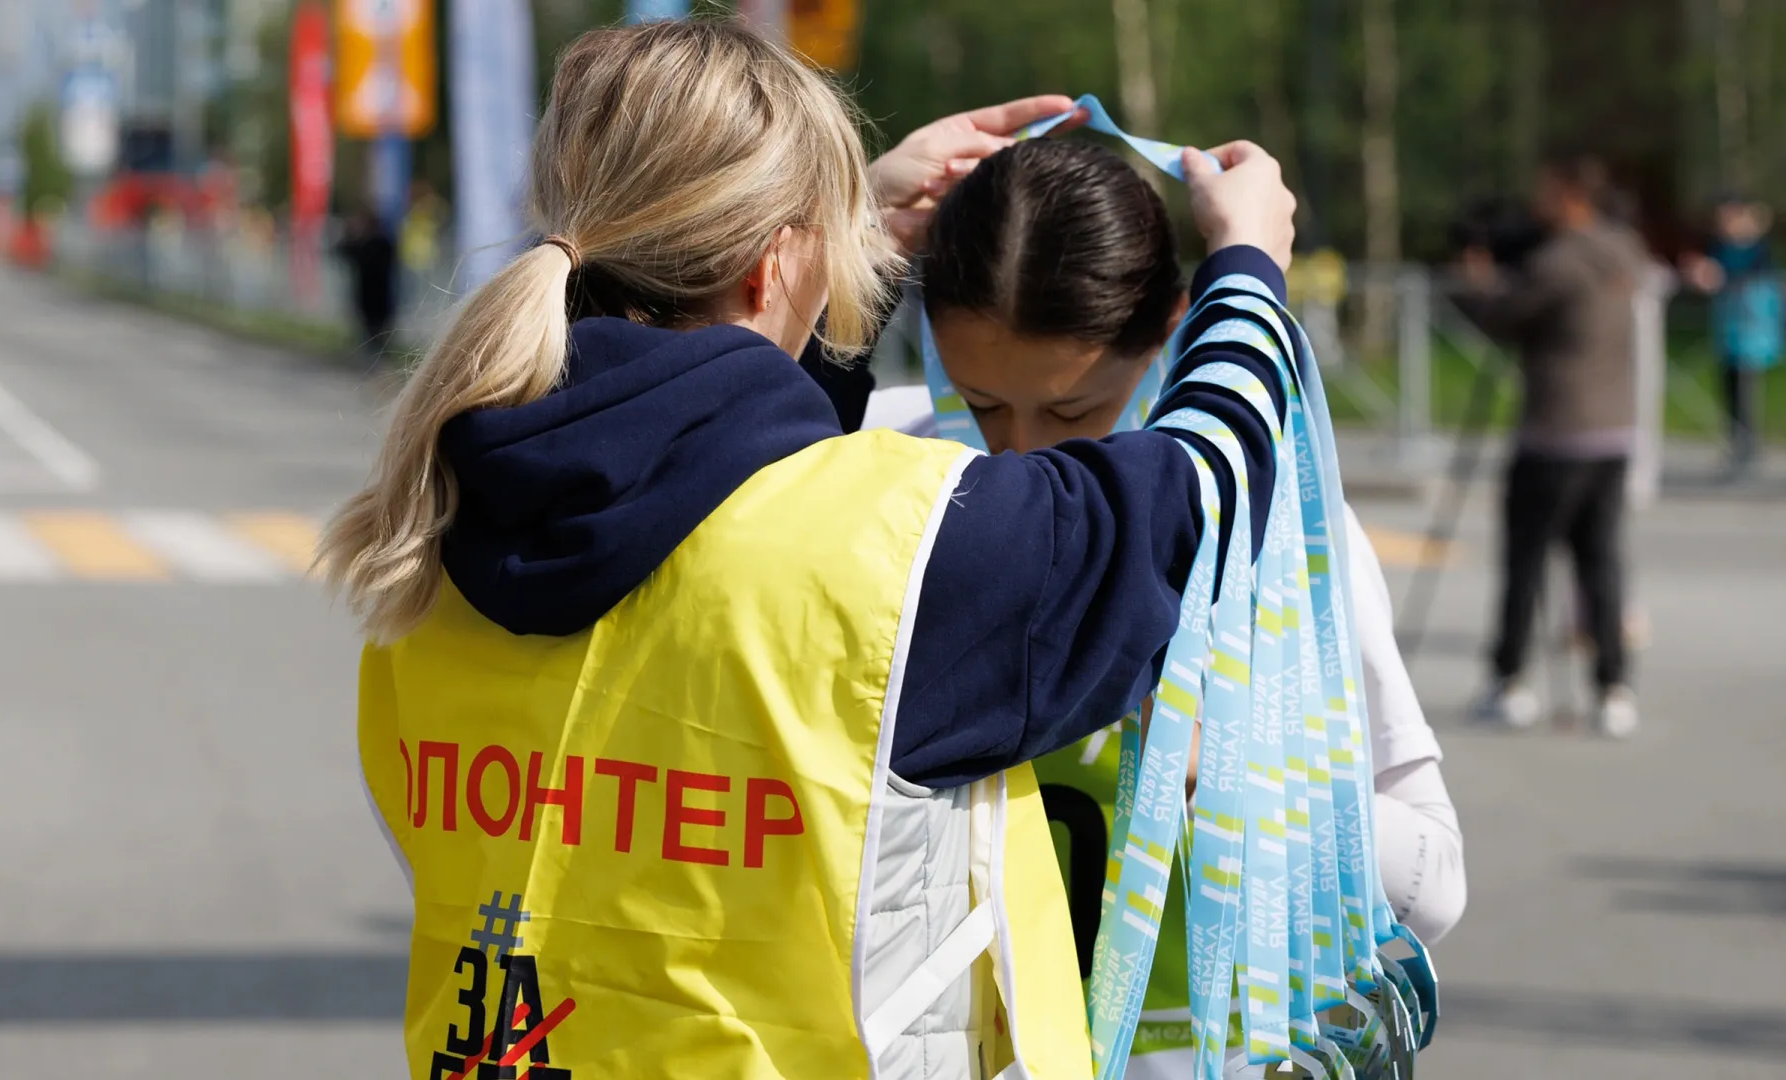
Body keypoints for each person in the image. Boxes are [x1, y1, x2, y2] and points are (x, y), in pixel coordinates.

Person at [316, 19, 1301, 1080]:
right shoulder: (905, 557)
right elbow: (1201, 487)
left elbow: (721, 466)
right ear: (770, 262)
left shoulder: (442, 534)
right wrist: (1248, 266)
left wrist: (842, 245)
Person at [853, 137, 1464, 1076]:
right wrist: (854, 225)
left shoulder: (1267, 517)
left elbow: (1433, 885)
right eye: (980, 404)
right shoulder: (877, 459)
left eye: (1072, 414)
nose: (1024, 460)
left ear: (1170, 332)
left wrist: (1224, 768)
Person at [1456, 155, 1647, 739]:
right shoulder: (1624, 252)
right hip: (1613, 432)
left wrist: (1474, 277)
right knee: (1601, 562)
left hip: (1556, 433)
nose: (1536, 204)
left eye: (1545, 192)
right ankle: (1613, 688)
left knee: (1526, 561)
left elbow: (1499, 316)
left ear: (1568, 195)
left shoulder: (1558, 263)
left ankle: (1509, 681)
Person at [1682, 194, 1784, 475]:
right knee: (1728, 387)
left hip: (1752, 331)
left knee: (1746, 388)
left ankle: (1748, 444)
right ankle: (1734, 442)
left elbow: (1757, 279)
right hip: (1727, 330)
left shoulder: (1759, 250)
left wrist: (1721, 277)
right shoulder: (1718, 247)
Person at [335, 205, 398, 354]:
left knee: (378, 323)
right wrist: (350, 235)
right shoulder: (363, 241)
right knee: (368, 323)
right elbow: (343, 251)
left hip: (379, 291)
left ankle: (378, 350)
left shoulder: (380, 241)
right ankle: (371, 350)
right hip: (367, 292)